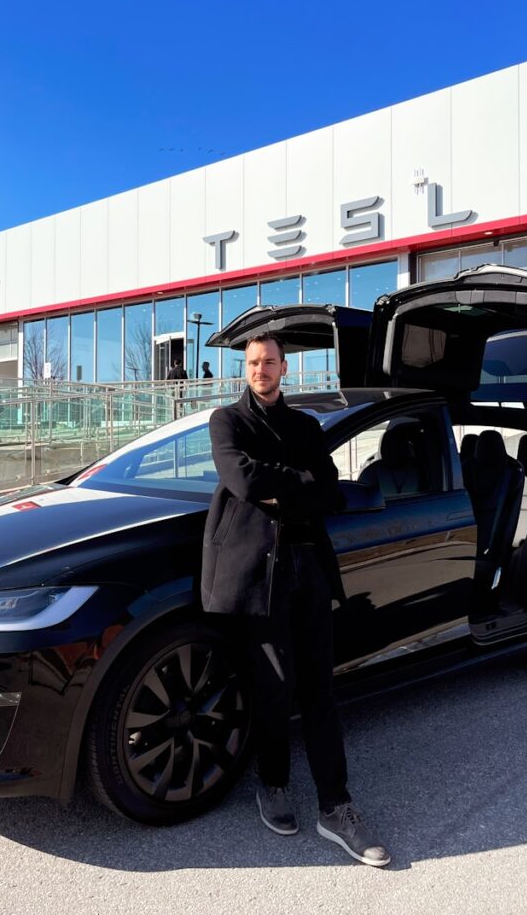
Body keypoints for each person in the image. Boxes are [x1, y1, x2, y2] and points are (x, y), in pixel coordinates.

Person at [201, 333, 390, 867]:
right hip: (259, 572)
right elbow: (241, 478)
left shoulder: (306, 426)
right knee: (273, 687)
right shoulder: (227, 422)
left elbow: (329, 490)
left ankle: (337, 807)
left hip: (309, 567)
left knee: (319, 690)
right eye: (253, 363)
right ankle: (274, 783)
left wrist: (284, 486)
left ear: (285, 367)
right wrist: (299, 482)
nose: (261, 370)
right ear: (245, 370)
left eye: (269, 362)